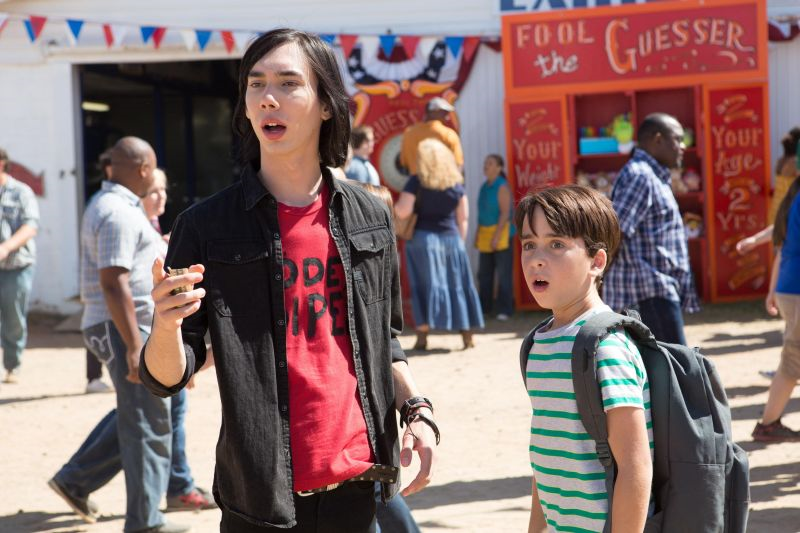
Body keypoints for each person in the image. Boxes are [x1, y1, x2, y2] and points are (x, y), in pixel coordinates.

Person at [140, 29, 438, 532]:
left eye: (287, 83)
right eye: (255, 84)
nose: (267, 98)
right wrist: (165, 327)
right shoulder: (205, 227)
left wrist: (416, 410)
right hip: (260, 496)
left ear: (326, 105)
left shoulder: (370, 217)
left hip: (358, 485)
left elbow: (383, 341)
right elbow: (166, 378)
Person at [48, 136, 190, 533]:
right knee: (147, 422)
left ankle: (75, 481)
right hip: (123, 328)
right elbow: (113, 282)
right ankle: (146, 522)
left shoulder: (118, 207)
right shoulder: (115, 211)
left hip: (128, 326)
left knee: (142, 413)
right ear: (144, 169)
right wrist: (133, 346)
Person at [515, 184, 653, 533]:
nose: (537, 259)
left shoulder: (606, 348)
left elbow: (636, 467)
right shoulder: (539, 343)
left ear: (597, 261)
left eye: (556, 244)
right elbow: (546, 458)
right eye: (529, 244)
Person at [141, 167, 217, 512]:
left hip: (169, 343)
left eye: (163, 190)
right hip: (155, 339)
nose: (161, 197)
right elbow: (113, 283)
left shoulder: (158, 230)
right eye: (153, 191)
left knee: (166, 415)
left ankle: (179, 483)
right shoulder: (132, 223)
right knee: (150, 416)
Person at [352, 182, 422, 533]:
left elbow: (388, 343)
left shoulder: (379, 276)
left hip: (375, 433)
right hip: (359, 437)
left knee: (383, 495)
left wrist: (416, 408)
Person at [604, 112, 699, 345]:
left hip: (654, 291)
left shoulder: (652, 176)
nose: (683, 146)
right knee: (675, 363)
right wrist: (597, 280)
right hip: (647, 293)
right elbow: (615, 233)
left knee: (667, 363)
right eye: (677, 139)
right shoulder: (640, 176)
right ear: (657, 140)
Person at [395, 138, 484, 351]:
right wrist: (459, 242)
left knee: (422, 287)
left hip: (423, 240)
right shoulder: (456, 183)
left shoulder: (416, 181)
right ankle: (467, 335)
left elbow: (402, 211)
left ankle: (422, 336)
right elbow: (463, 218)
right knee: (458, 286)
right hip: (452, 241)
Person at [751, 175, 800, 442]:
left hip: (789, 287)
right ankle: (768, 425)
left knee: (792, 362)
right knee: (792, 363)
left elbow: (781, 247)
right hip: (796, 289)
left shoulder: (794, 197)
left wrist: (772, 290)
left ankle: (768, 424)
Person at [0, 147, 39, 384]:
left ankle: (12, 365)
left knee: (13, 317)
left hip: (17, 266)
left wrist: (6, 247)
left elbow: (30, 226)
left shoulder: (21, 192)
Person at [735, 127, 800, 255]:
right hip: (787, 210)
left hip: (777, 209)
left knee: (780, 250)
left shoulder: (781, 161)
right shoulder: (793, 164)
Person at [86, 149, 114, 394]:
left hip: (103, 280)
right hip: (104, 280)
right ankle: (93, 377)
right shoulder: (104, 204)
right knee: (100, 325)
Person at [475, 154, 514, 321]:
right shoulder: (484, 187)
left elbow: (505, 213)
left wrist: (497, 236)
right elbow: (481, 213)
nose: (486, 166)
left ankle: (505, 309)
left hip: (501, 234)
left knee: (503, 274)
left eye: (490, 163)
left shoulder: (501, 186)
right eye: (485, 163)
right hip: (485, 234)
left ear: (499, 168)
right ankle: (485, 309)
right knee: (484, 273)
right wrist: (477, 234)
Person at [399, 97, 464, 176]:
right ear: (433, 112)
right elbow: (458, 163)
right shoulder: (448, 134)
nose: (447, 116)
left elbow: (403, 162)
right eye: (444, 112)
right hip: (442, 180)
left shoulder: (409, 133)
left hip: (416, 180)